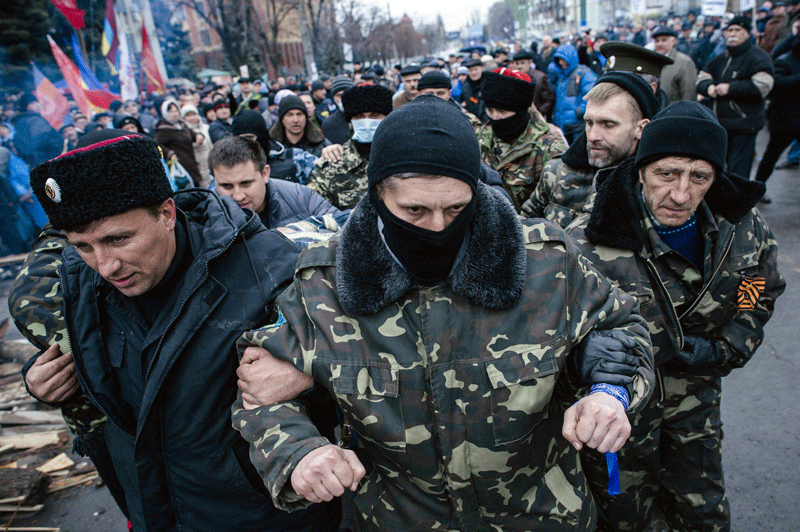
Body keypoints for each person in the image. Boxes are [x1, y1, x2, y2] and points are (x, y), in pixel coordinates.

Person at [232, 94, 655, 532]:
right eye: (414, 210)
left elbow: (622, 325)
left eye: (456, 208)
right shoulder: (324, 283)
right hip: (398, 519)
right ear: (377, 194)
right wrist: (299, 452)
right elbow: (259, 395)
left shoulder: (545, 261)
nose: (438, 227)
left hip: (542, 516)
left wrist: (610, 391)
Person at [24, 130, 340, 532]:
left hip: (258, 517)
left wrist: (311, 371)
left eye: (118, 239)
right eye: (83, 247)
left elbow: (367, 362)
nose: (105, 266)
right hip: (154, 510)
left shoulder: (269, 268)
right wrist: (42, 380)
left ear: (167, 214)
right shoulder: (83, 281)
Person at [568, 100, 785, 532]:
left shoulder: (742, 225)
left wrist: (729, 344)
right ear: (641, 170)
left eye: (699, 177)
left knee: (704, 514)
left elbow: (757, 287)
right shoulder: (588, 241)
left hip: (697, 403)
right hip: (622, 419)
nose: (681, 194)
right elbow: (559, 335)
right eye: (666, 174)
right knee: (625, 518)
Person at [522, 72, 658, 227]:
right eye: (589, 123)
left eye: (608, 125)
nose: (592, 136)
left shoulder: (657, 185)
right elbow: (526, 221)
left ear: (640, 129)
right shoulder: (557, 172)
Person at [476, 68, 567, 212]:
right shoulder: (480, 138)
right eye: (490, 110)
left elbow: (559, 208)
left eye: (502, 111)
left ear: (520, 110)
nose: (495, 117)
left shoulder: (549, 148)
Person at [697, 16, 774, 179]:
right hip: (720, 125)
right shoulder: (721, 57)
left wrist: (730, 88)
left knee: (738, 174)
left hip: (744, 125)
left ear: (747, 33)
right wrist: (709, 87)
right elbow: (702, 77)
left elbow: (762, 86)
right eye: (730, 30)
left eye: (737, 30)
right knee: (718, 171)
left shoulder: (758, 57)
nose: (732, 34)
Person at [210, 135, 339, 228]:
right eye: (227, 186)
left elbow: (342, 223)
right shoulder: (205, 215)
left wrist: (300, 232)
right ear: (214, 181)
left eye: (246, 184)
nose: (238, 196)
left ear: (265, 174)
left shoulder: (300, 196)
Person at [308, 83, 393, 209]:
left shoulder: (403, 158)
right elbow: (313, 210)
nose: (367, 122)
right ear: (351, 122)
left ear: (387, 118)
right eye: (360, 116)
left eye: (374, 115)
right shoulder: (333, 165)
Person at [753, 33, 800, 201]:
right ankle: (757, 190)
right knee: (770, 157)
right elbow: (777, 85)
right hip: (785, 121)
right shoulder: (784, 61)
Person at [231, 109, 317, 184]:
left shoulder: (296, 158)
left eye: (249, 138)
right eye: (239, 139)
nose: (244, 144)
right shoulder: (229, 165)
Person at [551, 44, 598, 143]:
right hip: (564, 124)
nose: (561, 63)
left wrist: (580, 111)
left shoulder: (584, 73)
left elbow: (590, 94)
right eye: (559, 60)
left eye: (563, 60)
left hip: (577, 124)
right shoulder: (562, 75)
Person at [155, 99, 203, 186]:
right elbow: (158, 144)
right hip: (179, 166)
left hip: (191, 163)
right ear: (165, 113)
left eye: (176, 111)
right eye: (170, 111)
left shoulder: (182, 124)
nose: (174, 114)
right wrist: (169, 153)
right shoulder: (163, 129)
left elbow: (191, 134)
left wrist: (198, 135)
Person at [11, 93, 62, 168]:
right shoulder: (35, 120)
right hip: (47, 161)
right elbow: (42, 140)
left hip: (33, 164)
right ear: (27, 106)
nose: (37, 105)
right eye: (33, 103)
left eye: (36, 102)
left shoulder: (18, 122)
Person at [652, 26, 698, 102]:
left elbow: (689, 94)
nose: (660, 44)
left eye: (664, 40)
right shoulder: (651, 61)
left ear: (673, 41)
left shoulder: (685, 62)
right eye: (657, 41)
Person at [511, 50, 556, 120]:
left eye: (523, 63)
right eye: (517, 63)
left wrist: (537, 113)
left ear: (530, 62)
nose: (519, 66)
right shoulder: (514, 77)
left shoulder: (540, 77)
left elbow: (549, 99)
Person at [181, 103, 213, 188]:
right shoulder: (185, 132)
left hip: (213, 162)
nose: (192, 117)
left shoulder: (207, 127)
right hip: (200, 168)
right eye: (188, 115)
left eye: (193, 114)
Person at [321, 76, 355, 145]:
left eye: (347, 93)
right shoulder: (328, 125)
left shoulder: (365, 117)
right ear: (333, 98)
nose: (343, 98)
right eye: (339, 95)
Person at [460, 58, 489, 122]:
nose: (473, 72)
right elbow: (470, 101)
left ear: (481, 69)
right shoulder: (465, 86)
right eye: (471, 70)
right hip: (471, 121)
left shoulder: (487, 84)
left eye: (476, 69)